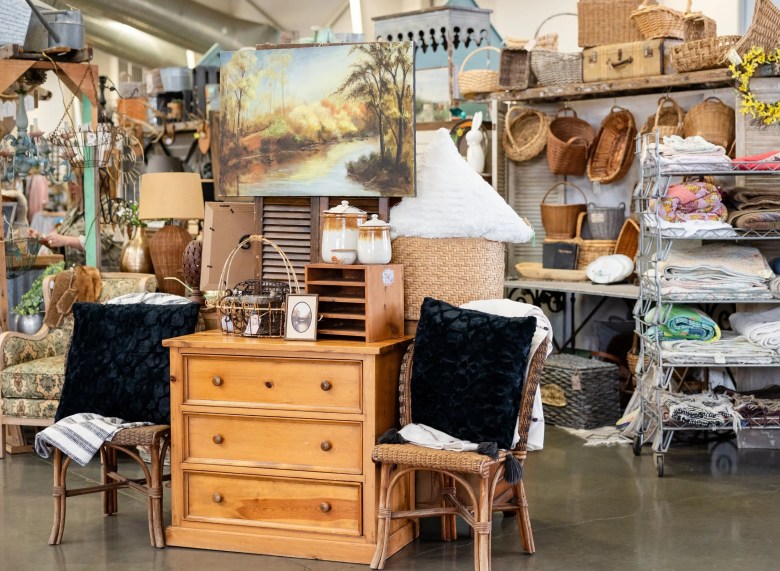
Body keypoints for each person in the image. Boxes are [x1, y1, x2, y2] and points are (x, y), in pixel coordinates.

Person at [27, 173, 121, 270]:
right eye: (69, 183)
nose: (71, 188)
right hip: (76, 276)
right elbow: (62, 242)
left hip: (98, 277)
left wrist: (66, 240)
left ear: (88, 184)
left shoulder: (107, 209)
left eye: (74, 183)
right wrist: (43, 238)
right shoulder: (74, 210)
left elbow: (104, 243)